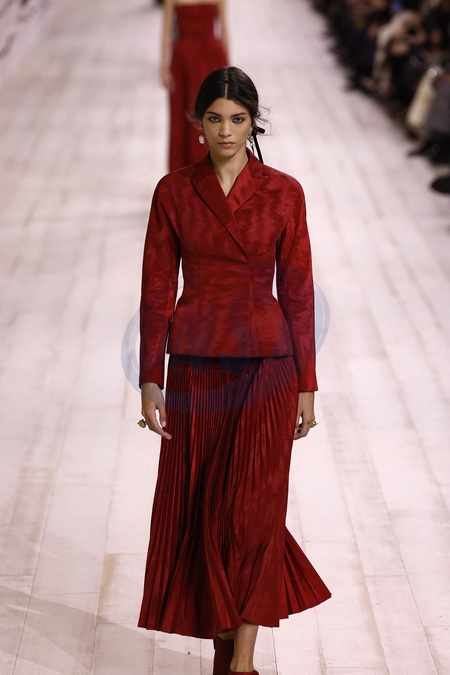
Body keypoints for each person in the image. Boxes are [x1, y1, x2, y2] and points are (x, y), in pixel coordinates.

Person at [137, 67, 331, 675]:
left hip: (268, 366)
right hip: (196, 367)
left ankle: (241, 662)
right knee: (202, 507)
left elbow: (298, 291)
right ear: (197, 124)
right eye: (215, 118)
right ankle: (225, 631)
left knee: (255, 510)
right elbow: (155, 290)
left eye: (238, 119)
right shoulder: (174, 191)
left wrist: (307, 383)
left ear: (253, 124)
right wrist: (150, 378)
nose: (226, 130)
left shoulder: (284, 192)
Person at [161, 0, 229, 171]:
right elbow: (166, 31)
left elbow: (224, 29)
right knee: (181, 114)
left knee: (212, 112)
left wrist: (229, 70)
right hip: (184, 62)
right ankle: (183, 173)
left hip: (209, 58)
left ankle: (211, 170)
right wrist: (164, 67)